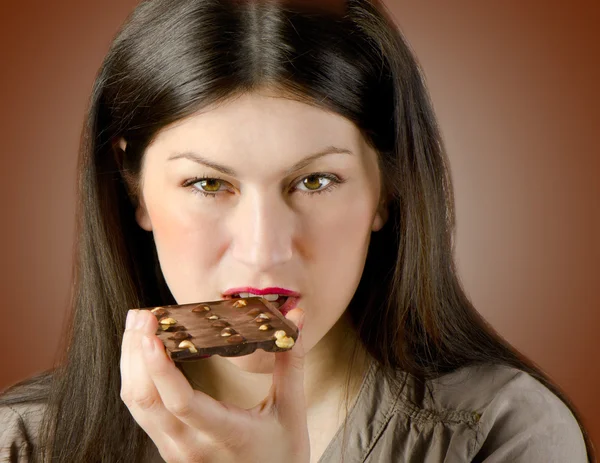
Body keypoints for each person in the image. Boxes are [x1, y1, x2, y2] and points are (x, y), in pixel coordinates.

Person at [0, 0, 594, 461]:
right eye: (208, 185)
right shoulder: (20, 444)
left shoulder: (503, 432)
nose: (264, 251)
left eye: (314, 182)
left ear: (386, 189)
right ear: (135, 189)